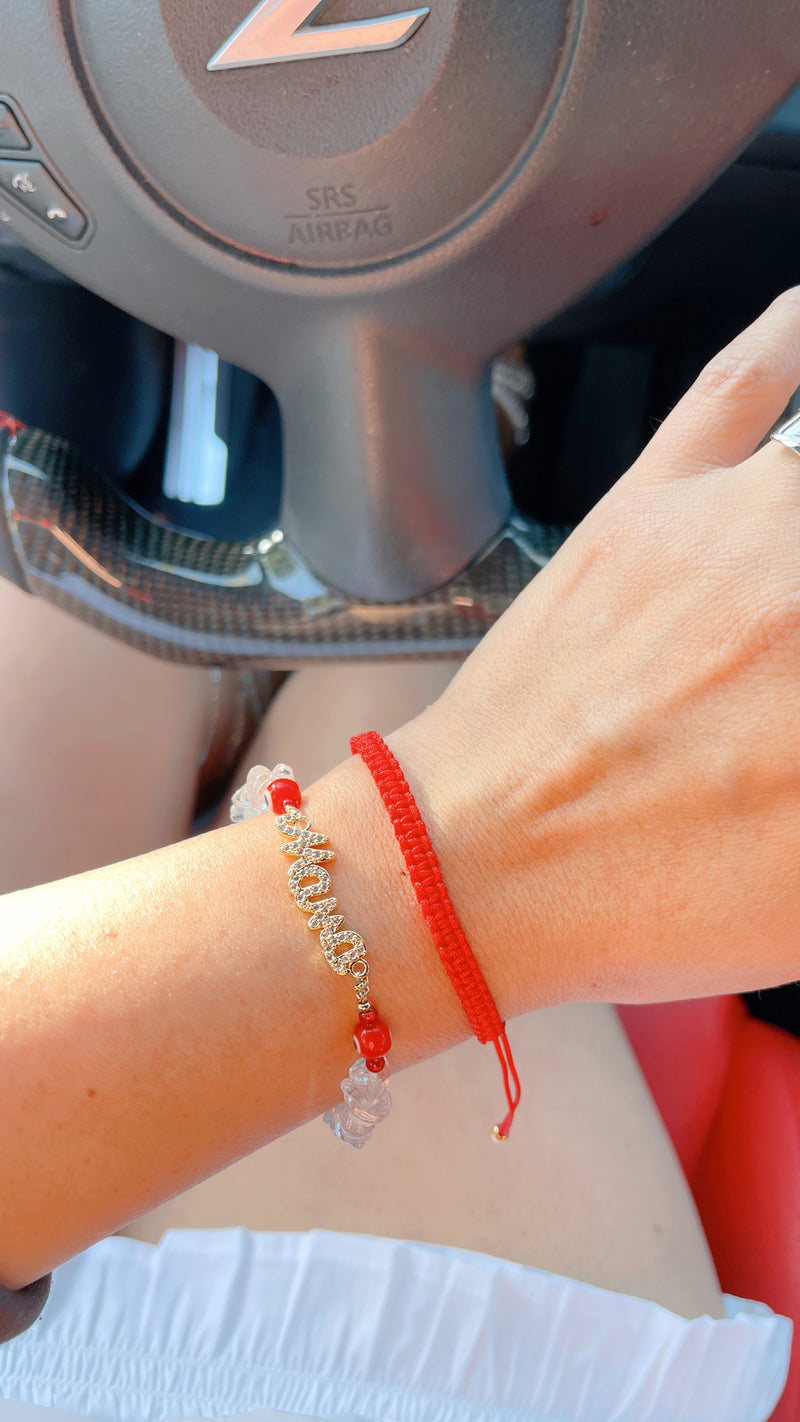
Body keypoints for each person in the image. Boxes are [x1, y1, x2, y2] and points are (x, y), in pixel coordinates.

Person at [0, 290, 799, 1420]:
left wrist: (468, 847)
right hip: (358, 1374)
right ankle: (406, 376)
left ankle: (237, 331)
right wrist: (470, 847)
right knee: (396, 626)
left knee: (80, 542)